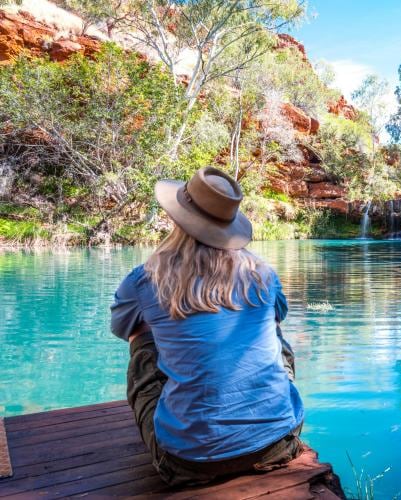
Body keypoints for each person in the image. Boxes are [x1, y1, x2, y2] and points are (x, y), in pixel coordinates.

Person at [110, 167, 303, 486]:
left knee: (141, 337)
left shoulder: (143, 281)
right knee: (270, 324)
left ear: (176, 217)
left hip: (187, 463)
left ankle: (195, 423)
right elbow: (279, 316)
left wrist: (176, 317)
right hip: (280, 443)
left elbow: (123, 329)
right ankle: (259, 416)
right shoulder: (264, 275)